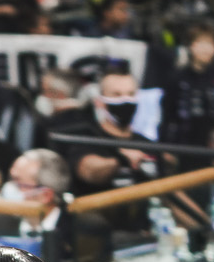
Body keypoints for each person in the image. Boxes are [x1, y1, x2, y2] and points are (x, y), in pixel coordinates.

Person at [51, 68, 154, 196]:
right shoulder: (86, 136)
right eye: (117, 95)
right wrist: (121, 158)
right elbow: (90, 171)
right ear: (99, 102)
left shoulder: (147, 144)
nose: (126, 100)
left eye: (131, 94)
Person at [162, 22, 214, 146]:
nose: (205, 49)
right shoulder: (177, 78)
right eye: (200, 43)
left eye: (210, 44)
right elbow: (167, 116)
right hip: (184, 143)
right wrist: (166, 146)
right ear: (190, 46)